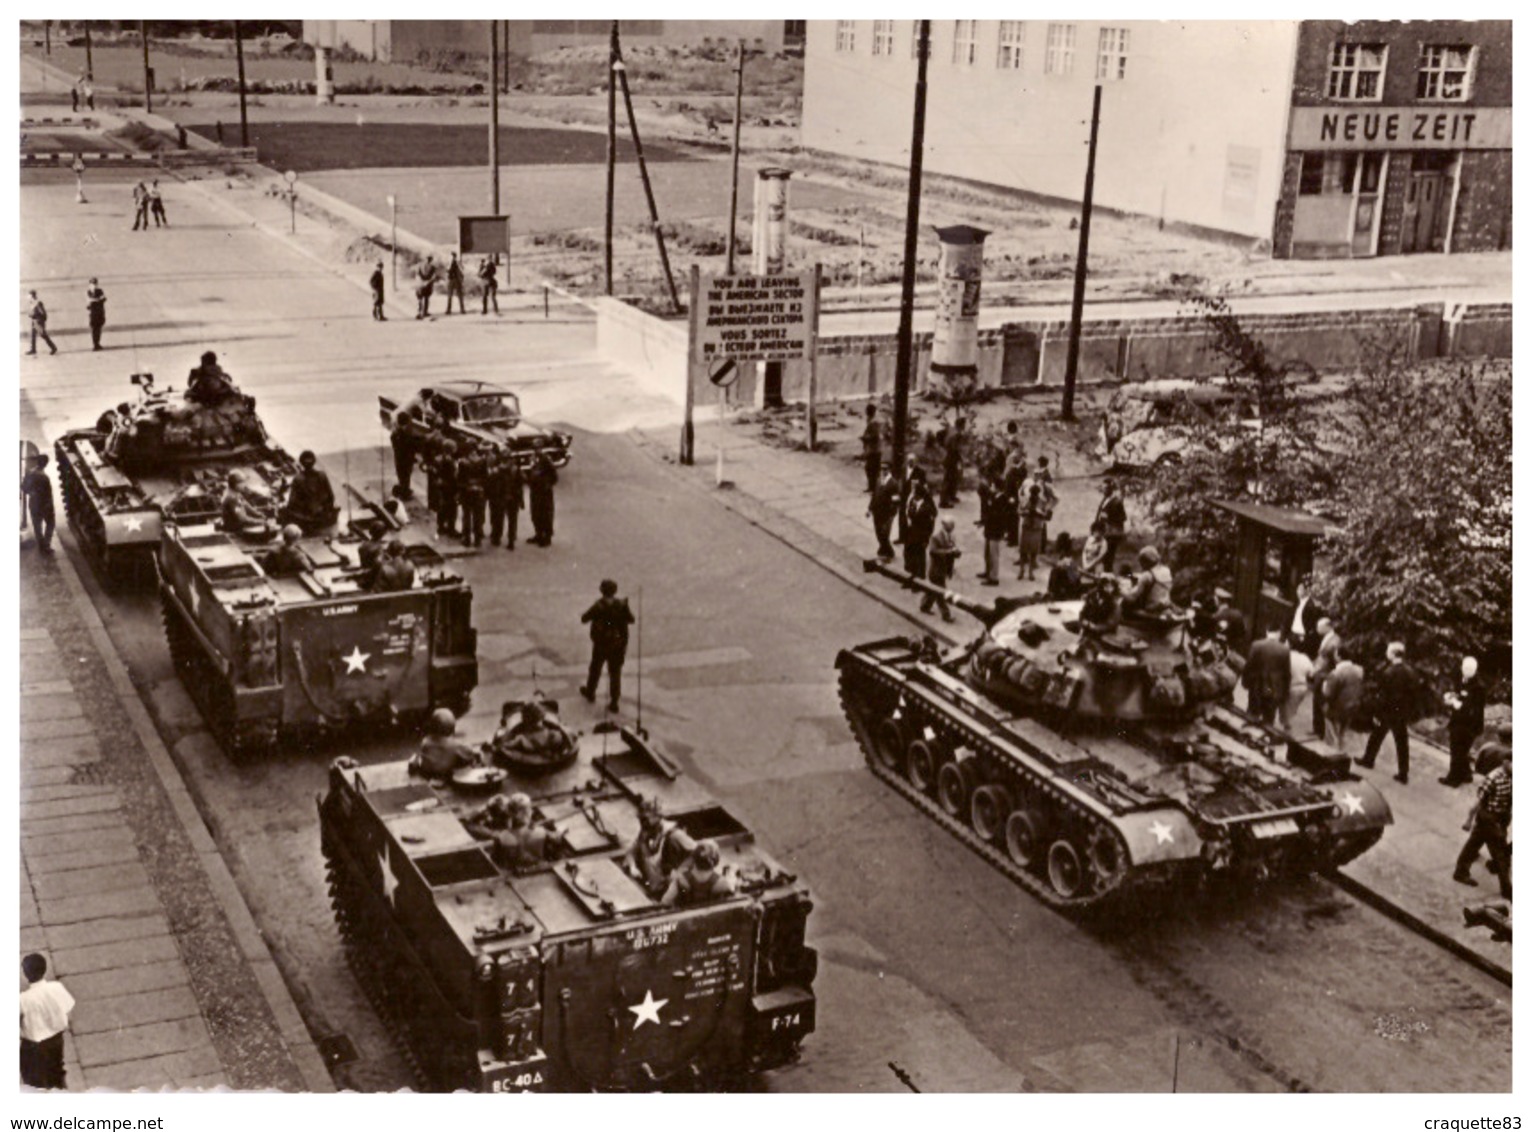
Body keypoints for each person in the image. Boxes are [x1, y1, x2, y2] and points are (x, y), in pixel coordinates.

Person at [1358, 641, 1428, 784]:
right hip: (1402, 713)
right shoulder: (1410, 671)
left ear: (1394, 654)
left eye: (1388, 651)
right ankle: (1403, 773)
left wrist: (1377, 713)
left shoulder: (1389, 672)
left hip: (1387, 712)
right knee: (1402, 743)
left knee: (1376, 736)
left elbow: (1384, 696)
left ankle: (1368, 760)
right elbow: (1415, 695)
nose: (1386, 653)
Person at [1454, 749, 1511, 900]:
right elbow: (1478, 801)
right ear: (1505, 762)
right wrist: (1468, 820)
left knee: (1474, 844)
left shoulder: (1512, 776)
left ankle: (1460, 872)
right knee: (1501, 854)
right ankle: (1507, 888)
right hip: (1489, 818)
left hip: (1500, 818)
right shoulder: (1493, 778)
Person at [19, 953, 74, 1090]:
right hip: (56, 1040)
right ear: (45, 969)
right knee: (57, 1071)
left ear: (25, 973)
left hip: (33, 1046)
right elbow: (68, 1010)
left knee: (33, 1081)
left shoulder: (22, 999)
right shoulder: (56, 988)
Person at [623, 798, 697, 898]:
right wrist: (632, 866)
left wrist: (680, 871)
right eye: (640, 819)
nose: (642, 822)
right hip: (653, 886)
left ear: (657, 816)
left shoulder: (674, 835)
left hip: (669, 889)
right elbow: (632, 850)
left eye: (645, 818)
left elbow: (697, 851)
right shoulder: (646, 831)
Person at [581, 579, 635, 712]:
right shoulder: (622, 605)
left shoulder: (599, 606)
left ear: (602, 590)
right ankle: (614, 702)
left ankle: (590, 692)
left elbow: (584, 619)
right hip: (618, 645)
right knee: (615, 673)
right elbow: (631, 619)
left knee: (595, 669)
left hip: (601, 645)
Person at [1441, 655, 1487, 787]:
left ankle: (1453, 779)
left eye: (1469, 669)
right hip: (1459, 721)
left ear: (1475, 670)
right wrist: (1452, 696)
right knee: (1461, 751)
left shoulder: (1479, 687)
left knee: (1457, 751)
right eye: (1465, 667)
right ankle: (1466, 774)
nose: (1466, 670)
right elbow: (1461, 694)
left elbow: (1474, 708)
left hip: (1469, 725)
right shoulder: (1463, 680)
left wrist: (1456, 703)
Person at [491, 702, 577, 769]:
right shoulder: (553, 734)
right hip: (550, 749)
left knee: (508, 708)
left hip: (517, 716)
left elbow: (504, 746)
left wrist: (499, 741)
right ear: (542, 718)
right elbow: (570, 738)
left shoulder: (523, 738)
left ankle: (521, 706)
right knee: (552, 705)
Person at [662, 840, 739, 907]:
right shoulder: (723, 883)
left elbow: (665, 902)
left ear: (694, 858)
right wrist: (731, 873)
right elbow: (734, 896)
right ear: (716, 860)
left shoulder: (680, 880)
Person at [1243, 626, 1291, 727]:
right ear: (1279, 633)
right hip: (1274, 686)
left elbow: (1249, 665)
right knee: (1269, 712)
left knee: (1253, 707)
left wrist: (1245, 681)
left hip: (1257, 682)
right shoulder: (1284, 649)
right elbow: (1286, 672)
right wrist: (1285, 690)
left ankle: (1249, 729)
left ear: (1267, 632)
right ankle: (1267, 731)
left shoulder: (1256, 645)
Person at [280, 450, 337, 534]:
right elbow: (331, 496)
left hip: (306, 516)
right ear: (314, 461)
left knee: (284, 512)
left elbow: (292, 502)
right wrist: (326, 509)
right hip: (322, 513)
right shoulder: (322, 475)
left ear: (301, 463)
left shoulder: (298, 479)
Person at [1321, 645, 1366, 750]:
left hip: (1336, 708)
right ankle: (1341, 754)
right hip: (1352, 707)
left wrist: (1324, 685)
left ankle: (1331, 756)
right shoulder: (1359, 670)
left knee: (1332, 736)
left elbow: (1328, 693)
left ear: (1339, 656)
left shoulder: (1336, 673)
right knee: (1343, 734)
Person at [415, 708, 480, 778]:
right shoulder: (454, 745)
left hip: (429, 776)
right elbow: (469, 754)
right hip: (445, 778)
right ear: (451, 727)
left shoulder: (426, 741)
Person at [1309, 618, 1342, 739]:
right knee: (1316, 702)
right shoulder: (1328, 638)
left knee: (1320, 703)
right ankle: (1317, 729)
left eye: (1319, 627)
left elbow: (1330, 660)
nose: (1317, 629)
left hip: (1324, 676)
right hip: (1320, 674)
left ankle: (1320, 732)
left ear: (1327, 627)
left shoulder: (1335, 641)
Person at [921, 517, 959, 622]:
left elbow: (952, 549)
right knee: (941, 593)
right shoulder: (936, 537)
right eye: (951, 525)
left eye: (953, 525)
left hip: (944, 569)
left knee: (933, 590)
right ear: (944, 525)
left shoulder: (951, 536)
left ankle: (924, 606)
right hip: (936, 570)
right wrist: (949, 552)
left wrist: (956, 552)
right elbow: (933, 551)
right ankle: (946, 615)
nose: (953, 527)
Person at [1120, 546, 1173, 617]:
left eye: (1141, 562)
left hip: (1151, 607)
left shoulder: (1146, 575)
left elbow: (1132, 598)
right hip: (1164, 603)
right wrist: (1132, 575)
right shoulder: (1166, 570)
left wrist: (1120, 590)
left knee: (1124, 603)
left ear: (1145, 562)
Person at [488, 452, 525, 549]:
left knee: (499, 519)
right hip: (513, 497)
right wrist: (521, 500)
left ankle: (497, 538)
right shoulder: (516, 469)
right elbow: (521, 484)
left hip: (501, 498)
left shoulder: (497, 471)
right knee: (512, 520)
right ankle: (511, 540)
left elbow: (492, 484)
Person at [903, 473, 936, 580]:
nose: (913, 496)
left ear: (919, 496)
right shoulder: (913, 502)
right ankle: (909, 575)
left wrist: (926, 539)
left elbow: (929, 526)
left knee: (919, 558)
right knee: (908, 555)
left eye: (915, 494)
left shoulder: (926, 508)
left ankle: (919, 578)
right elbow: (909, 512)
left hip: (921, 536)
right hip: (911, 533)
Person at [976, 470, 1007, 586]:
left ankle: (994, 577)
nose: (991, 487)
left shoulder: (1002, 499)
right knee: (987, 553)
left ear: (998, 487)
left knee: (994, 554)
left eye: (993, 485)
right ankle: (988, 571)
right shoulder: (995, 497)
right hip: (990, 529)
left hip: (995, 531)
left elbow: (997, 517)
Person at [220, 471, 273, 538]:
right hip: (235, 529)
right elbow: (243, 519)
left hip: (237, 524)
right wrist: (260, 521)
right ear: (236, 484)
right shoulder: (232, 497)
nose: (244, 485)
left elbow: (246, 505)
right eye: (242, 483)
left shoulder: (234, 492)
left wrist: (258, 514)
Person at [20, 455, 56, 554]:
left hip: (33, 503)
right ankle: (46, 545)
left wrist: (31, 492)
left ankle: (41, 546)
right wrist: (50, 506)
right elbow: (48, 494)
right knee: (51, 523)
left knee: (37, 526)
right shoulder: (44, 477)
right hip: (45, 505)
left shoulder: (30, 473)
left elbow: (23, 487)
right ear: (45, 464)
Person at [456, 446, 488, 548]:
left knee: (466, 515)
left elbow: (459, 480)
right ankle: (478, 540)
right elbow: (485, 477)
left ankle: (467, 539)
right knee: (477, 516)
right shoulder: (482, 462)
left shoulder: (463, 463)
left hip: (467, 492)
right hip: (479, 492)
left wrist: (464, 488)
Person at [1286, 578, 1325, 659]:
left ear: (1307, 591)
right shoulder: (1297, 603)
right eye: (1297, 589)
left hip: (1302, 637)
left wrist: (1307, 637)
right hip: (1293, 635)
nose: (1298, 591)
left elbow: (1313, 624)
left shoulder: (1312, 606)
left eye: (1300, 589)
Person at [526, 453, 558, 546]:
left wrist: (548, 485)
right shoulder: (533, 459)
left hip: (544, 492)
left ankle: (547, 537)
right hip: (535, 491)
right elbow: (530, 473)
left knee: (546, 514)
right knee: (535, 513)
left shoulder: (546, 460)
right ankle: (538, 534)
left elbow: (554, 476)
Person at [868, 464, 898, 561]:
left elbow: (896, 500)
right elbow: (874, 496)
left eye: (885, 469)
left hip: (887, 513)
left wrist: (892, 514)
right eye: (881, 469)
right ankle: (883, 549)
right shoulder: (879, 480)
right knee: (878, 532)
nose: (883, 471)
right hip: (877, 512)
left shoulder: (893, 483)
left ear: (889, 470)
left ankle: (889, 552)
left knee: (884, 533)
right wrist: (869, 509)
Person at [1095, 481, 1127, 572]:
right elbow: (1100, 513)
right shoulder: (1104, 499)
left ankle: (1108, 575)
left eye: (1105, 488)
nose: (1103, 490)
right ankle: (1105, 575)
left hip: (1112, 534)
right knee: (1104, 556)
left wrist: (1109, 517)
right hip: (1104, 532)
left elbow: (1123, 518)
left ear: (1111, 489)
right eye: (1103, 488)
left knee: (1109, 556)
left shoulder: (1117, 502)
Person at [1018, 483, 1046, 582]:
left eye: (1035, 493)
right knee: (1023, 550)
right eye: (1032, 493)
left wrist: (1040, 512)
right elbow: (1019, 511)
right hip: (1027, 527)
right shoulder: (1026, 500)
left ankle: (1030, 571)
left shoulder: (1042, 502)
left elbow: (1046, 515)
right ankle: (1021, 570)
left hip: (1036, 528)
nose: (1033, 495)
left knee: (1033, 551)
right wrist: (1025, 512)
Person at [432, 440, 460, 537]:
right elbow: (453, 477)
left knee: (442, 507)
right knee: (452, 509)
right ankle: (451, 529)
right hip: (450, 488)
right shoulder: (450, 461)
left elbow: (434, 473)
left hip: (441, 487)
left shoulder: (437, 459)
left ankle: (441, 526)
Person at [389, 408, 419, 499]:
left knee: (402, 475)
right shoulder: (405, 434)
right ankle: (405, 492)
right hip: (406, 458)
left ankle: (404, 490)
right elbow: (410, 447)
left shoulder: (395, 434)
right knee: (406, 476)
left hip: (399, 457)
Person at [1047, 534, 1084, 601]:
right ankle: (1052, 592)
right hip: (1070, 578)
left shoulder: (1071, 556)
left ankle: (1053, 592)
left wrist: (1066, 566)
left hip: (1072, 581)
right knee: (1055, 571)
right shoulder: (1064, 555)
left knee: (1056, 571)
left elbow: (1074, 574)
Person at [939, 416, 964, 509]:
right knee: (948, 479)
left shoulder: (952, 431)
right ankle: (943, 501)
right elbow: (954, 448)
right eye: (964, 425)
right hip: (951, 458)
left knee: (953, 478)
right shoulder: (956, 434)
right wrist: (959, 457)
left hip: (950, 457)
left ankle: (951, 496)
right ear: (961, 425)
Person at [26, 291, 57, 356]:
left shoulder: (38, 303)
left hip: (38, 322)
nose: (27, 297)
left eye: (29, 296)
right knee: (32, 335)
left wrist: (39, 320)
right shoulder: (32, 303)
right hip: (34, 321)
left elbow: (43, 313)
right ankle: (33, 349)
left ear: (32, 296)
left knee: (43, 335)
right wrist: (31, 315)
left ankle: (53, 347)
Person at [860, 403, 881, 494]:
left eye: (867, 411)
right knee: (869, 469)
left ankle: (873, 488)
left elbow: (875, 436)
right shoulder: (870, 421)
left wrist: (865, 438)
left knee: (871, 469)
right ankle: (871, 487)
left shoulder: (873, 423)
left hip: (874, 450)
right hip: (871, 449)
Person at [85, 278, 107, 350]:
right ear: (89, 285)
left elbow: (104, 299)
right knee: (94, 329)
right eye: (92, 284)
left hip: (99, 313)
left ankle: (97, 343)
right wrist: (97, 300)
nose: (93, 286)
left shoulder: (100, 291)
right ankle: (95, 344)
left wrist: (94, 301)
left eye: (95, 284)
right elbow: (89, 303)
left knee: (99, 329)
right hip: (93, 314)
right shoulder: (88, 292)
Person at [414, 255, 439, 319]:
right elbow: (434, 276)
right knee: (425, 298)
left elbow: (417, 275)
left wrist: (420, 282)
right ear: (431, 260)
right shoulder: (432, 267)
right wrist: (428, 281)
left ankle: (420, 312)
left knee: (421, 298)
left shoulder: (419, 265)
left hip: (420, 284)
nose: (428, 260)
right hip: (427, 284)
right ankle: (424, 312)